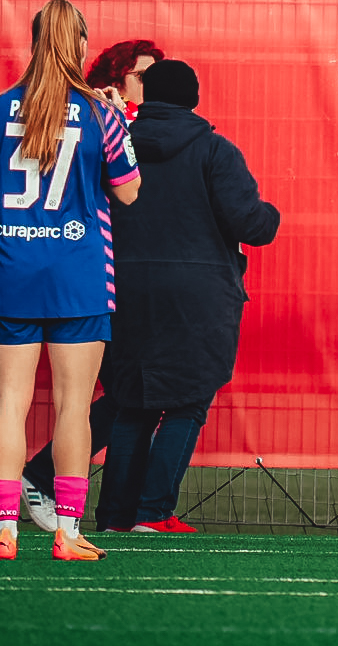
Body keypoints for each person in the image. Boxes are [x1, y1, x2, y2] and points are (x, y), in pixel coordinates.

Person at [0, 0, 141, 561]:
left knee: (9, 402)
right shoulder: (99, 113)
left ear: (35, 41)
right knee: (74, 405)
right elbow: (129, 191)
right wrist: (122, 122)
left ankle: (6, 530)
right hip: (80, 273)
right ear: (81, 45)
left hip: (13, 272)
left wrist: (11, 252)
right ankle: (67, 531)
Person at [95, 60, 281, 532]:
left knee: (131, 402)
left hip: (123, 289)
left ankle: (115, 517)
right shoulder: (215, 150)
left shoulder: (113, 147)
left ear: (147, 96)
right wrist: (271, 214)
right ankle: (153, 512)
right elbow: (251, 225)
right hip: (200, 297)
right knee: (188, 401)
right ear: (193, 98)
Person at [19, 37, 166, 531]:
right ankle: (48, 480)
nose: (150, 86)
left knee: (132, 391)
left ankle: (119, 510)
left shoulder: (139, 123)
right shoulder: (96, 118)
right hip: (94, 269)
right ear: (116, 79)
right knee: (118, 391)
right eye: (143, 76)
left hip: (133, 271)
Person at [87, 39, 165, 122]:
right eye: (143, 76)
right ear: (115, 83)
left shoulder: (162, 118)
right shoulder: (95, 117)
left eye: (156, 77)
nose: (151, 83)